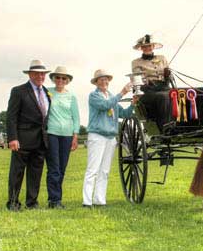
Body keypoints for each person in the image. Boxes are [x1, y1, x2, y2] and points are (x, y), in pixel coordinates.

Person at [82, 69, 137, 207]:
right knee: (92, 170)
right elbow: (105, 105)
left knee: (104, 171)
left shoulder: (111, 97)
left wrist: (133, 104)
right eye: (101, 79)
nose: (104, 81)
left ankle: (100, 200)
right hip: (97, 136)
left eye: (106, 79)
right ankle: (87, 201)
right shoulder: (94, 96)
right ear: (96, 82)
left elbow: (123, 114)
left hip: (111, 138)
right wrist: (122, 93)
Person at [6, 59, 51, 211]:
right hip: (22, 139)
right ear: (30, 74)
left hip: (41, 140)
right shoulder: (18, 91)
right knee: (17, 172)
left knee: (35, 173)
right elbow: (11, 116)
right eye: (37, 74)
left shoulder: (47, 92)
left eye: (43, 74)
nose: (40, 76)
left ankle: (32, 203)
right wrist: (12, 138)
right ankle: (13, 203)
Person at [46, 66, 80, 209]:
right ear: (54, 79)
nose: (60, 80)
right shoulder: (47, 92)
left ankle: (56, 198)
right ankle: (54, 200)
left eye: (63, 78)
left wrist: (75, 136)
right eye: (57, 77)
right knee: (54, 168)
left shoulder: (72, 96)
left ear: (67, 81)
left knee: (62, 168)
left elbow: (76, 118)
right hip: (52, 133)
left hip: (67, 135)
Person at [131, 34, 172, 131]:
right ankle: (165, 127)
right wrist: (146, 82)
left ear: (153, 46)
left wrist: (168, 75)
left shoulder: (162, 58)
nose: (147, 48)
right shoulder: (136, 62)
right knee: (163, 97)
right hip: (147, 91)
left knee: (181, 94)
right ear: (141, 48)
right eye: (145, 46)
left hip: (164, 87)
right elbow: (137, 79)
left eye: (149, 46)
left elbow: (168, 76)